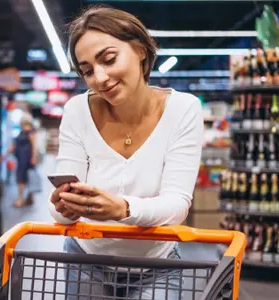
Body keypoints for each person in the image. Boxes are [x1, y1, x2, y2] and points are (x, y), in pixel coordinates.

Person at [48, 5, 204, 300]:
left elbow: (176, 205)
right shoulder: (77, 111)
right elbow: (61, 212)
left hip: (158, 264)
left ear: (141, 50)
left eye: (109, 59)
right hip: (85, 260)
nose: (101, 78)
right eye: (87, 71)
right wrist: (62, 205)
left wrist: (123, 209)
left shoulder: (184, 109)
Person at [1, 112, 38, 207]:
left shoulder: (31, 133)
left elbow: (34, 146)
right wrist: (4, 155)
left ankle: (22, 199)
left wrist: (34, 158)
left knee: (26, 178)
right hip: (22, 159)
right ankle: (26, 198)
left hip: (27, 160)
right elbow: (13, 146)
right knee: (23, 178)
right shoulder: (22, 133)